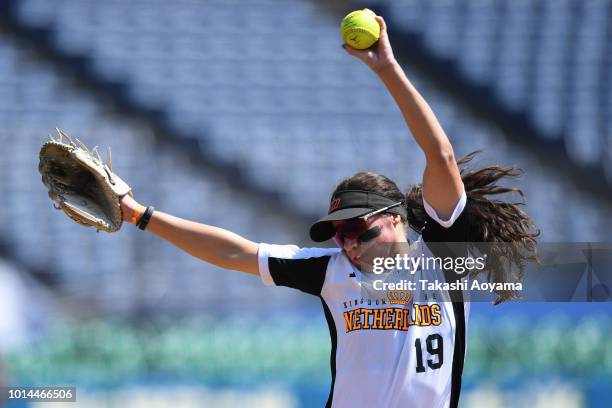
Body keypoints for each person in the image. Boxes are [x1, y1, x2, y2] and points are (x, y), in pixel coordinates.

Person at [120, 14, 538, 408]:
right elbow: (233, 253)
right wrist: (140, 215)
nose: (350, 244)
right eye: (340, 234)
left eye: (359, 229)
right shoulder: (331, 272)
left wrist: (387, 69)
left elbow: (440, 156)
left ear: (395, 217)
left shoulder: (442, 258)